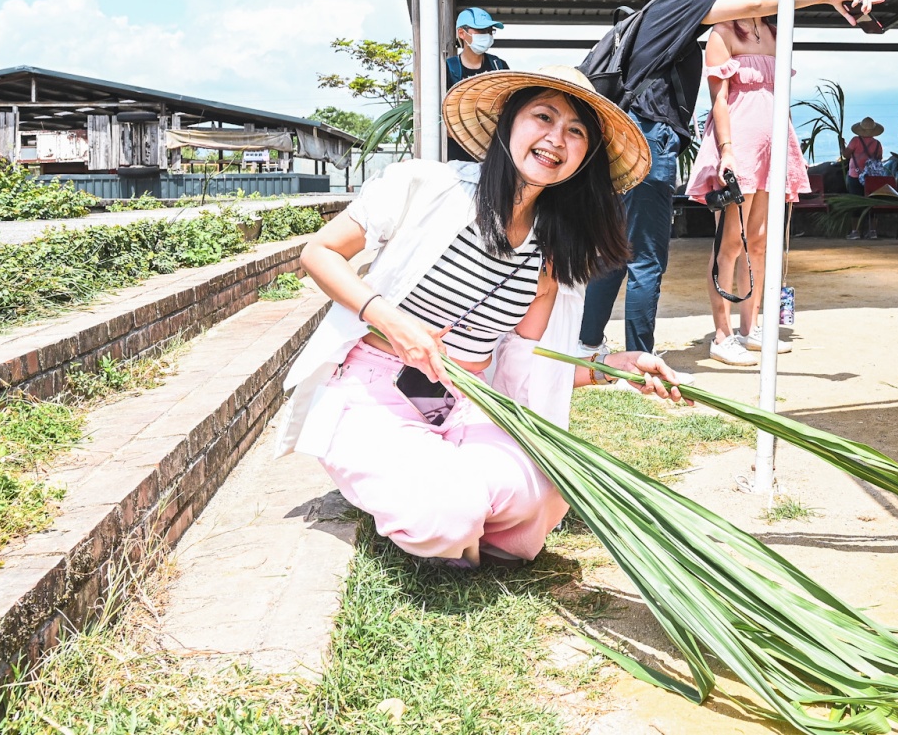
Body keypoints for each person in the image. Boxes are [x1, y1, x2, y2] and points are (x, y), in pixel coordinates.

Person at [277, 66, 687, 568]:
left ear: (585, 157)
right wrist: (392, 321)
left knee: (548, 489)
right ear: (508, 123)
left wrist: (611, 367)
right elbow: (319, 253)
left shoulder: (552, 251)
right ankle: (444, 507)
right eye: (543, 116)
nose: (555, 138)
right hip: (372, 393)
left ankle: (451, 495)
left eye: (576, 131)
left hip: (465, 402)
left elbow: (526, 367)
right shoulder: (427, 185)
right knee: (450, 511)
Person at [579, 0, 878, 356]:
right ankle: (641, 360)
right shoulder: (676, 6)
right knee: (646, 258)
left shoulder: (654, 16)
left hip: (625, 138)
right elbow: (751, 12)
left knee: (618, 249)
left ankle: (588, 342)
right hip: (650, 140)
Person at [685, 0, 819, 366]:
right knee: (730, 241)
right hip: (739, 144)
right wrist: (726, 151)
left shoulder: (775, 35)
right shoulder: (722, 34)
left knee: (760, 243)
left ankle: (751, 326)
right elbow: (719, 101)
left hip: (774, 144)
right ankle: (722, 334)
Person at [445, 7, 509, 161]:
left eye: (489, 30)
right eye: (481, 30)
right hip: (457, 155)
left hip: (492, 154)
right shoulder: (448, 69)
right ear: (462, 33)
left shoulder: (499, 66)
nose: (486, 35)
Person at [844, 117, 886, 241]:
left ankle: (855, 231)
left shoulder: (855, 141)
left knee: (855, 203)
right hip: (871, 178)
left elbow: (846, 154)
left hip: (855, 175)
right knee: (871, 203)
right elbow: (879, 158)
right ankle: (872, 231)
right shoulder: (877, 144)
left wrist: (842, 145)